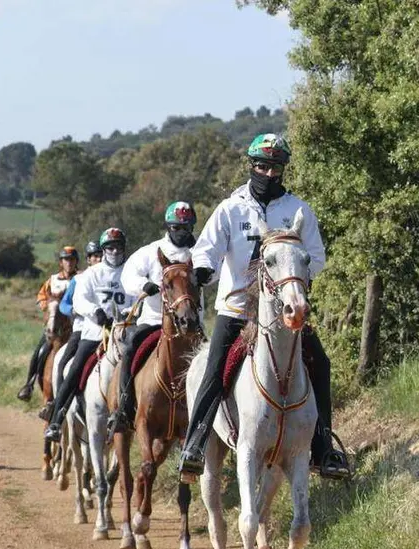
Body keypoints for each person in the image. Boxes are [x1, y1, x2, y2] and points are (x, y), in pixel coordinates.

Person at [178, 133, 351, 482]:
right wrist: (203, 269)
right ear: (251, 166)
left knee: (319, 362)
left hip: (283, 310)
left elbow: (315, 256)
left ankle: (323, 450)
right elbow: (206, 249)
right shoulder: (231, 208)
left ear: (283, 170)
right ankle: (195, 444)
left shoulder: (297, 210)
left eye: (275, 167)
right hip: (238, 307)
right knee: (214, 370)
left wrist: (294, 276)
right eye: (261, 165)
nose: (268, 173)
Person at [107, 201, 198, 436]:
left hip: (191, 325)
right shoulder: (151, 251)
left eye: (186, 227)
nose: (182, 232)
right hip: (153, 320)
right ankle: (124, 411)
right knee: (129, 348)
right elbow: (129, 275)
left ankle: (212, 419)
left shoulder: (201, 252)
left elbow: (218, 269)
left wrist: (208, 273)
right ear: (168, 227)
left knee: (214, 360)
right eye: (176, 227)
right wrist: (144, 285)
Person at [44, 228, 130, 442]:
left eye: (118, 246)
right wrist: (96, 312)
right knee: (75, 368)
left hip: (125, 331)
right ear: (103, 249)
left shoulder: (131, 271)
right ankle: (57, 418)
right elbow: (79, 300)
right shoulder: (91, 274)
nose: (114, 250)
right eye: (109, 247)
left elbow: (138, 296)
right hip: (95, 333)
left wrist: (128, 314)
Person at [17, 246, 79, 402]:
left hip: (75, 327)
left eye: (72, 259)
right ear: (61, 262)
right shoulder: (53, 280)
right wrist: (49, 308)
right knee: (40, 351)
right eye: (66, 259)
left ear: (76, 261)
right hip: (54, 328)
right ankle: (29, 384)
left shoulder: (81, 278)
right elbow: (41, 297)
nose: (69, 263)